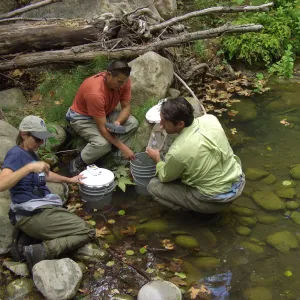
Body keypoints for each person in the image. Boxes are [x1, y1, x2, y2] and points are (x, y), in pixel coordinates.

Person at [0, 115, 95, 271]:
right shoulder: (15, 154)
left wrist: (70, 180)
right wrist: (28, 168)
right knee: (87, 230)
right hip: (30, 214)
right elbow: (2, 184)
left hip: (41, 208)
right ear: (24, 134)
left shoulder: (31, 152)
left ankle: (26, 240)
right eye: (37, 139)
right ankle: (37, 252)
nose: (41, 143)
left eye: (42, 139)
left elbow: (46, 175)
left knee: (72, 224)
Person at [146, 97, 245, 214]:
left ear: (180, 124)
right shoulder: (210, 119)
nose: (161, 125)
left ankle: (196, 213)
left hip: (214, 201)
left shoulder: (178, 151)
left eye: (164, 122)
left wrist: (157, 159)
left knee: (153, 186)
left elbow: (164, 176)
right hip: (238, 183)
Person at [66, 60, 139, 176]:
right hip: (82, 117)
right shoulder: (95, 93)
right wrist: (124, 148)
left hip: (104, 113)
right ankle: (77, 163)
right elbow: (102, 129)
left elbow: (126, 107)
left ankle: (110, 151)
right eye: (119, 82)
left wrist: (117, 122)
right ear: (108, 75)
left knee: (132, 123)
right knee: (102, 144)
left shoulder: (124, 81)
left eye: (124, 82)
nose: (122, 86)